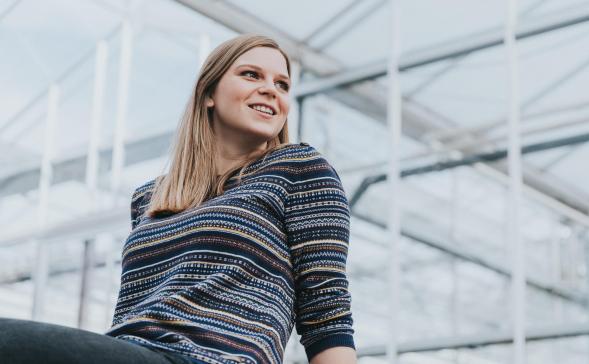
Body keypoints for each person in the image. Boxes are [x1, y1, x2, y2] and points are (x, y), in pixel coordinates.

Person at [0, 34, 356, 364]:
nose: (270, 90)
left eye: (282, 84)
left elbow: (326, 311)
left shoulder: (299, 169)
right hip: (134, 348)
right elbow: (131, 311)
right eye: (251, 75)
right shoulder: (150, 198)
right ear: (208, 93)